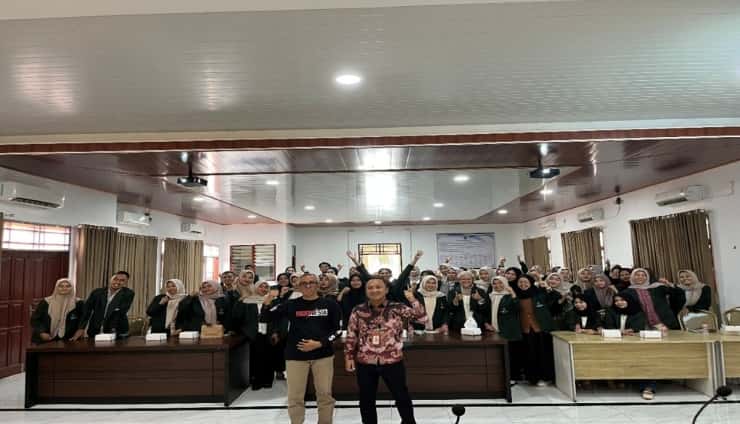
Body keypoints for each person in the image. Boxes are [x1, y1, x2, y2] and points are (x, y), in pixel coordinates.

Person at [259, 273, 341, 424]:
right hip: (295, 357)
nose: (308, 285)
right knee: (295, 396)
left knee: (324, 395)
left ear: (318, 285)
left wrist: (320, 343)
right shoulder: (291, 304)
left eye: (312, 282)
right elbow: (266, 317)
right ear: (299, 286)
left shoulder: (330, 305)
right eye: (304, 283)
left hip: (323, 356)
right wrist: (267, 302)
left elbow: (338, 331)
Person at [344, 278, 427, 424]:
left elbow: (423, 318)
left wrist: (412, 299)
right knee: (366, 399)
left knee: (401, 396)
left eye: (378, 287)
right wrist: (349, 356)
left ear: (386, 290)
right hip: (366, 361)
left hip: (392, 360)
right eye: (370, 287)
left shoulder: (397, 308)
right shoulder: (358, 310)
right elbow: (351, 334)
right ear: (366, 291)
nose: (374, 290)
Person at [232, 280, 285, 390]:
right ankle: (256, 381)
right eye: (261, 286)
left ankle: (267, 381)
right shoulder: (247, 300)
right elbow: (238, 316)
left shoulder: (273, 301)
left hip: (268, 333)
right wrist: (240, 301)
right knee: (255, 358)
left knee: (268, 357)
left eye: (266, 287)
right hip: (252, 333)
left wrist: (276, 332)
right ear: (255, 288)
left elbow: (278, 318)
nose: (264, 289)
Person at [514, 274, 559, 387]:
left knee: (543, 354)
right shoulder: (515, 296)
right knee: (529, 354)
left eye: (526, 282)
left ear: (531, 283)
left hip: (540, 329)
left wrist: (547, 288)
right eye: (520, 282)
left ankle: (545, 377)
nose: (523, 284)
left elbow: (555, 300)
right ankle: (532, 378)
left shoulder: (539, 293)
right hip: (525, 330)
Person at [78, 271, 135, 339]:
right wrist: (81, 328)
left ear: (126, 282)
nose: (117, 282)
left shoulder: (128, 293)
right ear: (110, 279)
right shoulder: (97, 292)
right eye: (115, 279)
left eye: (122, 280)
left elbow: (120, 312)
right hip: (95, 329)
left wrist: (111, 331)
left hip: (117, 330)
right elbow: (87, 310)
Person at [31, 278, 86, 343]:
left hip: (70, 339)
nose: (64, 288)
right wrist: (41, 332)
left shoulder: (78, 303)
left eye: (68, 286)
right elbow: (35, 320)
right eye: (61, 286)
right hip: (46, 338)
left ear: (72, 288)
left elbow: (83, 319)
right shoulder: (46, 302)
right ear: (56, 287)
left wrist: (80, 330)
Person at [484, 276, 521, 340]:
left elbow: (517, 308)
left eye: (500, 283)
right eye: (494, 283)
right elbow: (485, 311)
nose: (497, 285)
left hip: (507, 329)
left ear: (505, 283)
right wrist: (486, 323)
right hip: (492, 329)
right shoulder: (490, 296)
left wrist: (512, 293)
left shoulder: (510, 296)